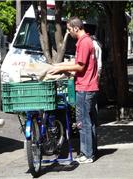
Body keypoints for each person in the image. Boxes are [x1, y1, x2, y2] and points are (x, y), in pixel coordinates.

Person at [48, 16, 99, 164]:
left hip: (85, 87)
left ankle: (87, 154)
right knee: (90, 121)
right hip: (90, 86)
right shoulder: (87, 41)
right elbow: (80, 65)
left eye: (69, 29)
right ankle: (91, 152)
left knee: (83, 121)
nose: (69, 32)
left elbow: (80, 66)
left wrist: (61, 67)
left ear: (76, 28)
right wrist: (64, 68)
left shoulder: (83, 43)